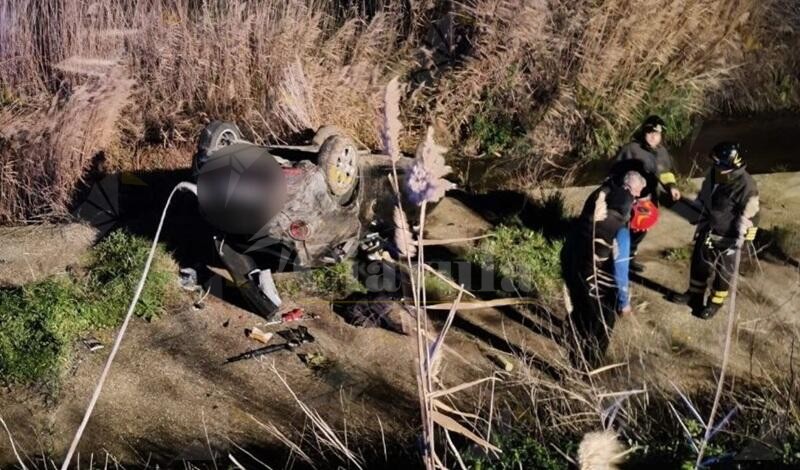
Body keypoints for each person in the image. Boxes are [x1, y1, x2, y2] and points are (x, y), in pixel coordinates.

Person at [562, 171, 647, 364]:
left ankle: (572, 356)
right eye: (635, 196)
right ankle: (589, 368)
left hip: (575, 270)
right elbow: (620, 271)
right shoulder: (621, 233)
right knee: (601, 326)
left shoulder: (595, 209)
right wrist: (624, 303)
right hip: (597, 285)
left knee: (578, 315)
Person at [669, 142, 759, 319]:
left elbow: (752, 217)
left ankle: (714, 303)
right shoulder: (716, 174)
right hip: (708, 229)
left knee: (722, 273)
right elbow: (706, 194)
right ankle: (694, 295)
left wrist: (743, 239)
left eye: (718, 163)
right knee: (699, 264)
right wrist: (698, 208)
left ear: (730, 164)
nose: (714, 166)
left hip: (728, 237)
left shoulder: (746, 185)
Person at [608, 115, 680, 273]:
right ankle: (614, 260)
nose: (654, 137)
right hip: (629, 200)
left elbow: (666, 172)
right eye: (650, 133)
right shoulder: (631, 149)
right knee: (623, 230)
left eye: (658, 134)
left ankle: (630, 258)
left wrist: (671, 187)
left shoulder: (662, 152)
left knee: (641, 229)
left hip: (648, 199)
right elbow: (614, 173)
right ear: (643, 133)